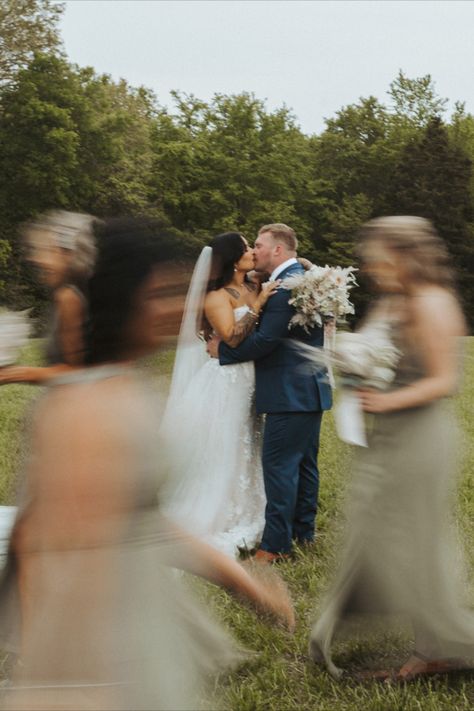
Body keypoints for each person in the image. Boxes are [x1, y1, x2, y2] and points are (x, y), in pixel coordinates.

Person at [0, 218, 294, 711]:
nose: (175, 308)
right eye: (158, 294)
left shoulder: (124, 388)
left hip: (137, 631)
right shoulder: (83, 409)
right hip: (100, 652)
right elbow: (39, 540)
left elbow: (143, 521)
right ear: (121, 301)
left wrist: (246, 587)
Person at [309, 216, 474, 681]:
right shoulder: (391, 301)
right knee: (376, 535)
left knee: (412, 544)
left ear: (404, 255)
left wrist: (385, 398)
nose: (371, 263)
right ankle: (426, 643)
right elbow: (377, 356)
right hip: (387, 439)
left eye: (378, 254)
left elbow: (445, 381)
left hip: (419, 439)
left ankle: (444, 645)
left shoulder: (433, 302)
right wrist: (351, 363)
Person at [208, 223, 332, 563]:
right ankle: (302, 533)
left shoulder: (285, 288)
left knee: (280, 467)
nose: (255, 251)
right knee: (305, 465)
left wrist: (224, 353)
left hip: (290, 393)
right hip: (309, 390)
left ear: (277, 250)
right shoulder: (300, 277)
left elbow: (265, 341)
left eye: (259, 245)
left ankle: (275, 547)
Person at [162, 231, 278, 556]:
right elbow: (231, 338)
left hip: (250, 378)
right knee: (230, 441)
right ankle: (220, 512)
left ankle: (250, 506)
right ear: (231, 258)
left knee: (249, 440)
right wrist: (260, 304)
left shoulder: (251, 284)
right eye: (245, 249)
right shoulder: (215, 296)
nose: (251, 253)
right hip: (228, 380)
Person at [0, 210, 97, 385]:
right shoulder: (82, 291)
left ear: (68, 254)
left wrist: (13, 374)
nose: (36, 259)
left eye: (45, 250)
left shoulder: (70, 297)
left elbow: (76, 373)